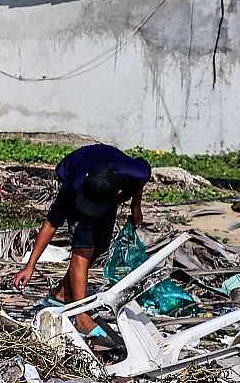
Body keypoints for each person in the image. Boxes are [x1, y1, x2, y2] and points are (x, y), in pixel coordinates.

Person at [13, 143, 151, 354]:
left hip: (106, 185)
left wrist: (136, 206)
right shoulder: (75, 184)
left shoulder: (136, 173)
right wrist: (30, 265)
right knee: (83, 250)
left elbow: (140, 180)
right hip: (78, 173)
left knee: (99, 245)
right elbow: (51, 223)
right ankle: (81, 317)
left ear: (119, 191)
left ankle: (61, 293)